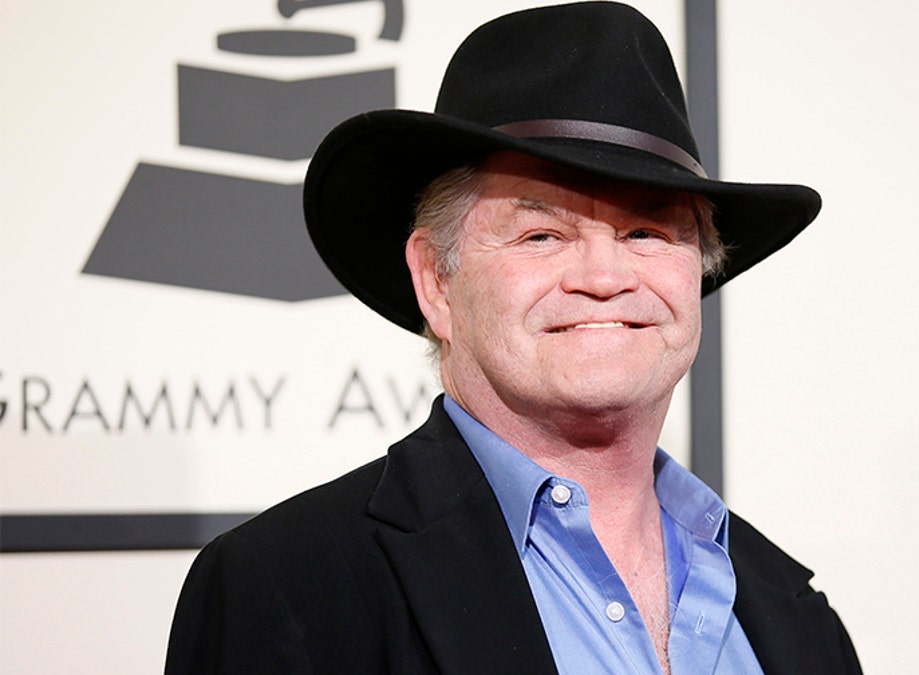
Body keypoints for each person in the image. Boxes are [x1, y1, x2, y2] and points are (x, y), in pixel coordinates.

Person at [166, 2, 861, 673]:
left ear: (698, 270)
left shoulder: (796, 617)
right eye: (542, 234)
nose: (603, 275)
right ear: (437, 281)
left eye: (645, 231)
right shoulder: (288, 588)